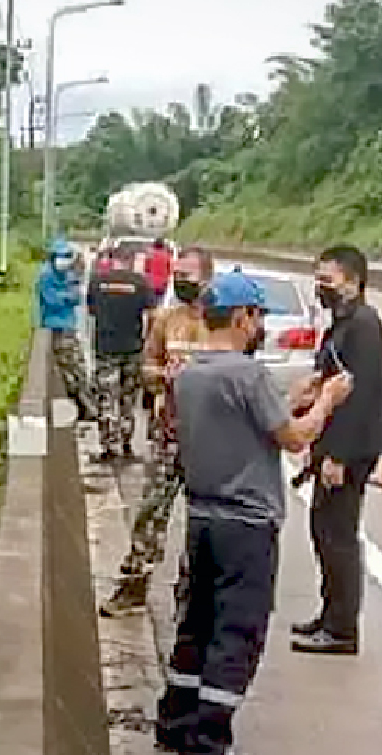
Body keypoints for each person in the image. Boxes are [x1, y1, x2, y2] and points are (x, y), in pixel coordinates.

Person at [156, 271, 353, 755]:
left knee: (197, 624)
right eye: (259, 315)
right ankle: (208, 744)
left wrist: (293, 399)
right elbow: (294, 438)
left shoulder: (191, 374)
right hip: (246, 524)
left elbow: (250, 422)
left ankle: (175, 721)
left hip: (202, 518)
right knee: (237, 632)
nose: (260, 325)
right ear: (243, 317)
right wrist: (326, 402)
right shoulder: (247, 374)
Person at [291, 244, 382, 657]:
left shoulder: (364, 326)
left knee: (338, 536)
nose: (321, 288)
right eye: (317, 279)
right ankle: (329, 613)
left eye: (327, 280)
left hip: (350, 447)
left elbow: (360, 395)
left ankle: (341, 628)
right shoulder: (344, 322)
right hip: (333, 441)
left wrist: (338, 455)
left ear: (352, 282)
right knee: (322, 529)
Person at [102, 246, 213, 617]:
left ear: (207, 279)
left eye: (187, 275)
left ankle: (193, 596)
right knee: (151, 512)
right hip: (167, 434)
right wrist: (162, 376)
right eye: (176, 274)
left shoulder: (220, 325)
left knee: (206, 522)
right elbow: (146, 367)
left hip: (209, 440)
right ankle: (134, 585)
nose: (180, 281)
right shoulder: (166, 320)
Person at [86, 248, 155, 462]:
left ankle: (108, 446)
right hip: (133, 348)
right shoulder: (141, 283)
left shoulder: (97, 281)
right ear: (131, 260)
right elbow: (151, 315)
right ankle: (126, 443)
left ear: (112, 259)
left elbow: (91, 311)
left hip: (106, 348)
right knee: (128, 399)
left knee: (106, 397)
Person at [38, 239, 89, 419]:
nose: (65, 260)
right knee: (67, 370)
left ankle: (83, 406)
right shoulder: (46, 276)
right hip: (53, 328)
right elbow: (53, 301)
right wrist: (68, 296)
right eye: (61, 256)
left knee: (77, 369)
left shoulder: (68, 275)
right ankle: (83, 406)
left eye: (68, 256)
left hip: (68, 326)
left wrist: (67, 296)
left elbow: (78, 298)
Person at [145, 237, 175, 303]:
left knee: (151, 300)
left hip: (151, 282)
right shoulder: (167, 256)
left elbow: (146, 269)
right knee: (160, 300)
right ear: (163, 246)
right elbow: (170, 269)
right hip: (162, 282)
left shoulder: (150, 255)